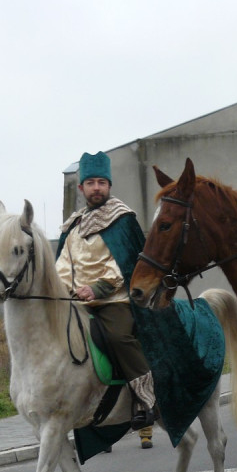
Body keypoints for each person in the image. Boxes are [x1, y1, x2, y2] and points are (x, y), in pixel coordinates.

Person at [56, 151, 157, 431]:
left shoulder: (122, 220)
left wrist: (97, 289)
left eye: (102, 182)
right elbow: (63, 265)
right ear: (81, 188)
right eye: (91, 183)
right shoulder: (73, 226)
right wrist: (65, 291)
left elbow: (124, 262)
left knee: (119, 336)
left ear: (109, 186)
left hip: (115, 299)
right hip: (77, 301)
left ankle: (145, 400)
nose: (96, 187)